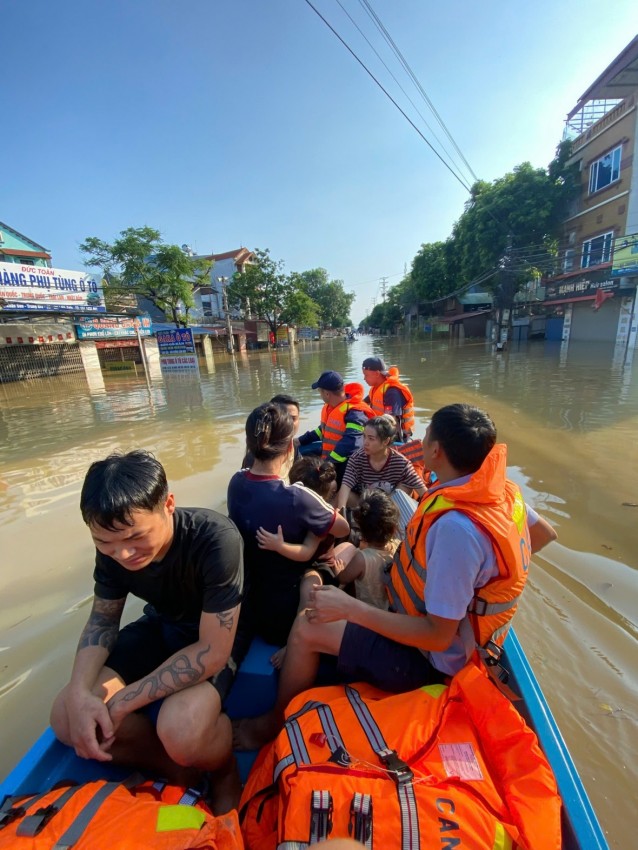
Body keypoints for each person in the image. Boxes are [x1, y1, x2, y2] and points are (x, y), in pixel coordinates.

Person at [233, 403, 558, 750]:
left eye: (427, 433)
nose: (420, 438)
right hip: (453, 636)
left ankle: (273, 724)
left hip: (430, 662)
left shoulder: (455, 530)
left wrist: (350, 608)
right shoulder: (502, 491)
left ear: (434, 450)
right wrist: (479, 585)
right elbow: (543, 535)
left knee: (308, 627)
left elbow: (436, 636)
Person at [50, 450, 244, 812]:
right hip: (161, 624)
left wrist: (125, 700)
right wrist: (79, 693)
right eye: (104, 543)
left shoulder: (215, 539)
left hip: (213, 636)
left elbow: (213, 650)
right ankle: (174, 769)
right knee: (66, 716)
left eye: (135, 537)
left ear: (169, 504)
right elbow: (103, 620)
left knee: (181, 728)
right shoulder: (112, 547)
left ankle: (223, 771)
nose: (122, 555)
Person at [227, 402, 349, 651]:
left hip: (250, 607)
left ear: (250, 444)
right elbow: (343, 529)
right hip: (285, 615)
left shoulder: (236, 482)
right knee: (347, 547)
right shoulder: (298, 497)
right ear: (289, 447)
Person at [297, 370, 374, 486]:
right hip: (331, 458)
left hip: (346, 465)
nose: (320, 395)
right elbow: (322, 430)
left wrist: (327, 462)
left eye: (320, 392)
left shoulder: (355, 412)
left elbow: (351, 442)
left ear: (327, 394)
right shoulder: (331, 408)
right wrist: (299, 440)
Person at [336, 415, 426, 513]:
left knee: (406, 486)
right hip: (364, 505)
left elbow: (423, 491)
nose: (365, 442)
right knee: (342, 496)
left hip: (389, 509)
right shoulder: (356, 458)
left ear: (386, 441)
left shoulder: (401, 463)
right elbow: (346, 485)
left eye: (371, 439)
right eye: (364, 436)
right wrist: (341, 512)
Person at [334, 489, 400, 610]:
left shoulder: (362, 559)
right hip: (390, 610)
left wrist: (339, 571)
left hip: (367, 613)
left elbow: (343, 578)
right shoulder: (397, 547)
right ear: (393, 529)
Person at [362, 356, 415, 442]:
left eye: (366, 375)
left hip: (395, 438)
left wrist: (367, 426)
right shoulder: (376, 388)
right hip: (380, 432)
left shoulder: (392, 392)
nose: (364, 378)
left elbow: (390, 419)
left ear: (377, 374)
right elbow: (362, 404)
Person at [242, 393, 301, 468]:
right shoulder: (257, 457)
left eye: (293, 418)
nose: (289, 423)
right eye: (285, 418)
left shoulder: (293, 446)